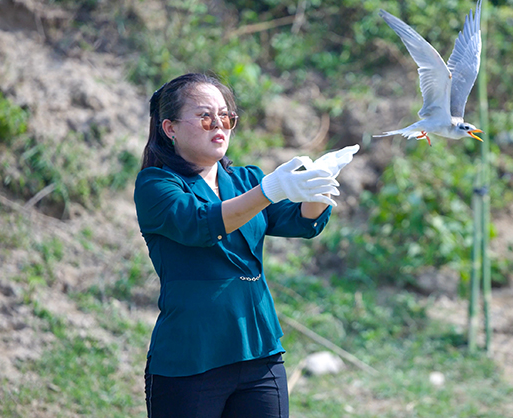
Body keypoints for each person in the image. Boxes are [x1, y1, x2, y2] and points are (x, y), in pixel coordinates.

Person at [134, 72, 358, 418]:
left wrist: (318, 186)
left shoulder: (246, 180)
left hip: (258, 350)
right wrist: (268, 192)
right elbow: (200, 222)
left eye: (225, 116)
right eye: (205, 115)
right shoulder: (156, 185)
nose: (218, 124)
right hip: (192, 357)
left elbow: (300, 220)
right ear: (170, 128)